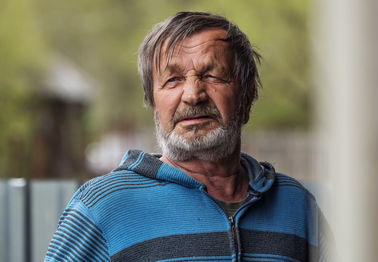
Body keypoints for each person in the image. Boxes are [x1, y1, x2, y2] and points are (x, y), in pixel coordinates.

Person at [45, 11, 329, 262]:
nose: (193, 95)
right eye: (172, 80)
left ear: (248, 96)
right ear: (153, 103)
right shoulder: (102, 206)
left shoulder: (297, 206)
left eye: (213, 76)